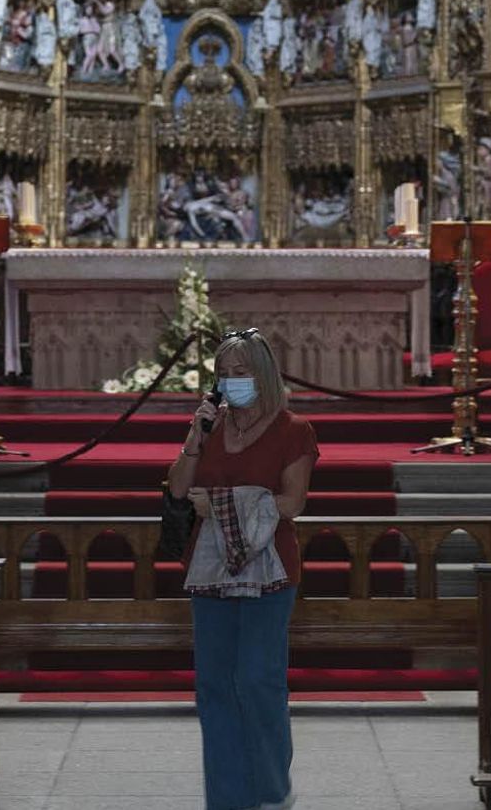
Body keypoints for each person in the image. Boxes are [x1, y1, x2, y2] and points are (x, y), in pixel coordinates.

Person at [169, 328, 317, 810]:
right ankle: (228, 797)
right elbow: (176, 491)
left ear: (265, 375)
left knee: (257, 679)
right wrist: (195, 436)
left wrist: (222, 505)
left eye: (242, 373)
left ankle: (272, 790)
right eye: (224, 375)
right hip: (209, 565)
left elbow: (291, 504)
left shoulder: (293, 429)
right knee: (214, 685)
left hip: (268, 565)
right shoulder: (212, 428)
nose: (232, 383)